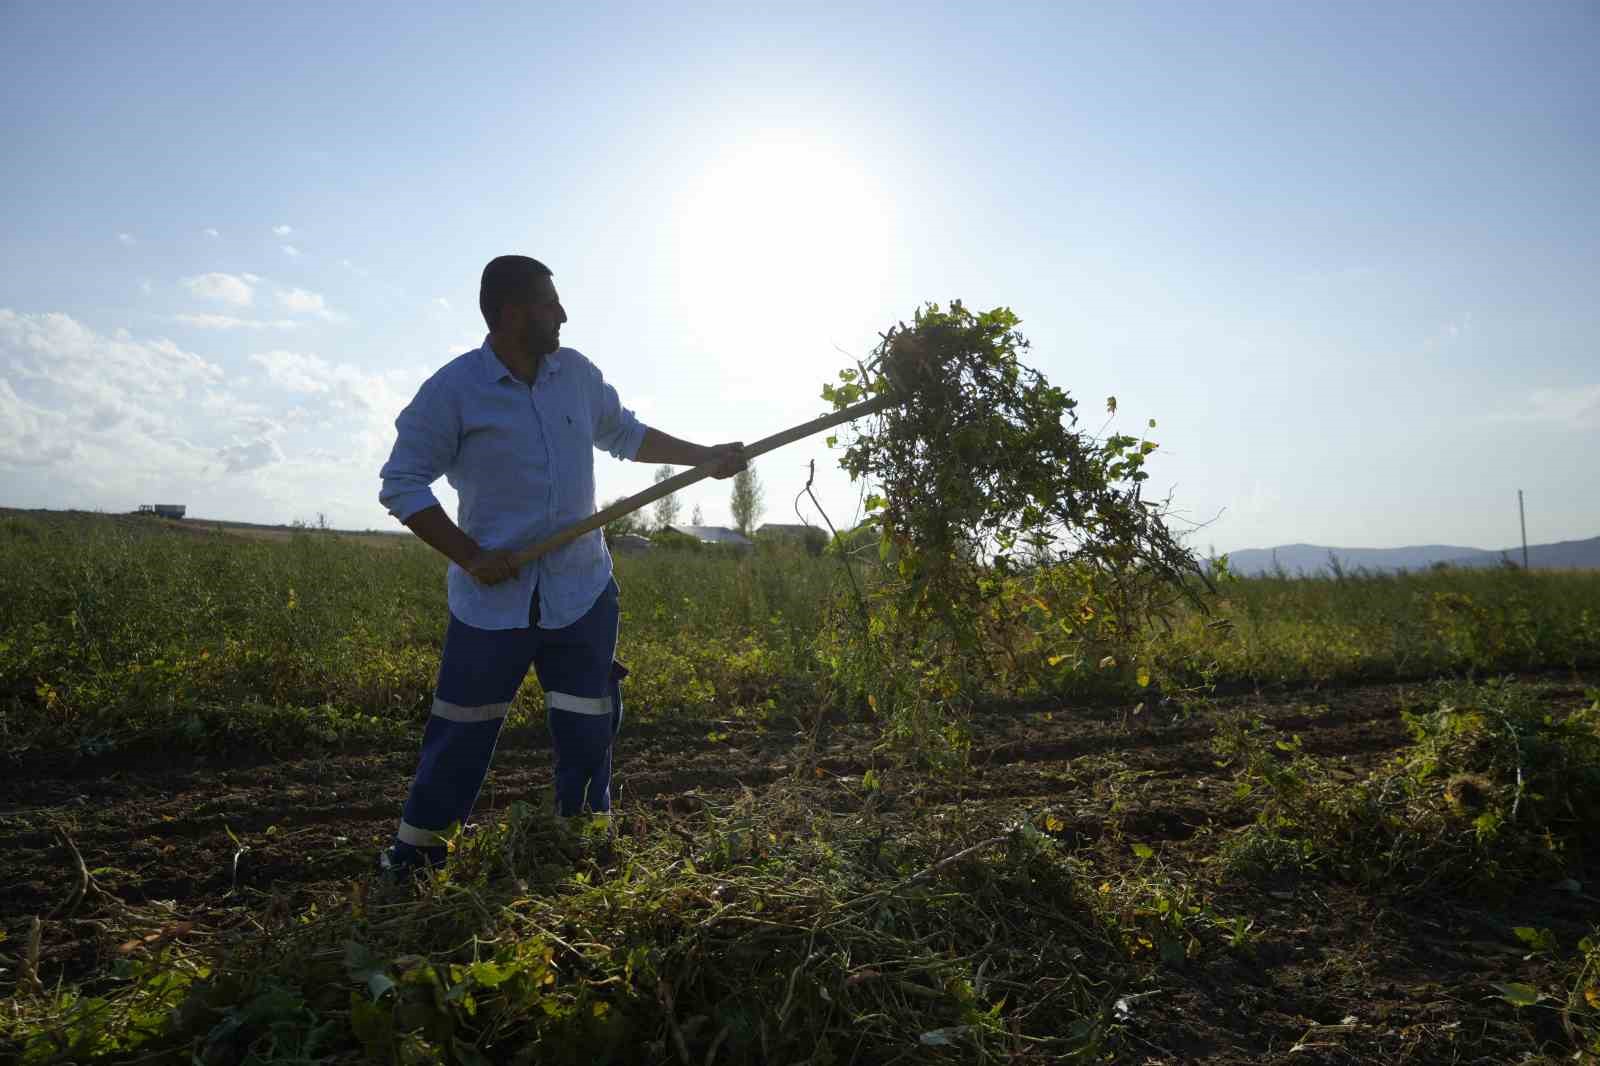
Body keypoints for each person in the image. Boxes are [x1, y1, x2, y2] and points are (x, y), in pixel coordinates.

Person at [375, 254, 744, 877]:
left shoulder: (574, 375)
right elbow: (402, 482)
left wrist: (702, 457)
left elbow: (625, 434)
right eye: (550, 304)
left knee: (587, 727)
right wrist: (469, 555)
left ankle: (581, 853)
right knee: (460, 733)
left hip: (581, 591)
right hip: (493, 601)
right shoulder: (453, 391)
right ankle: (415, 861)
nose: (563, 315)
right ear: (512, 313)